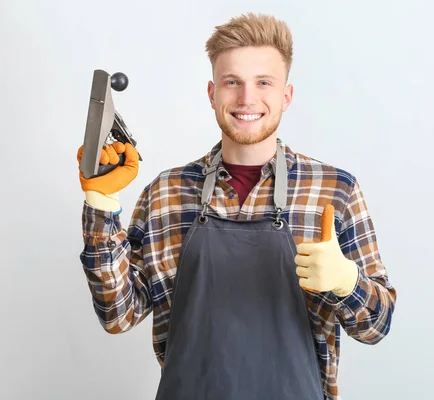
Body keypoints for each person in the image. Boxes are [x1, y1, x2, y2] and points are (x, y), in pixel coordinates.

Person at [77, 13, 396, 400]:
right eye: (232, 82)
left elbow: (376, 326)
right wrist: (101, 203)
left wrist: (347, 282)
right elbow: (118, 314)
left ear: (286, 95)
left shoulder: (335, 190)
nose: (247, 99)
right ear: (212, 93)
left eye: (264, 82)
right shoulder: (166, 193)